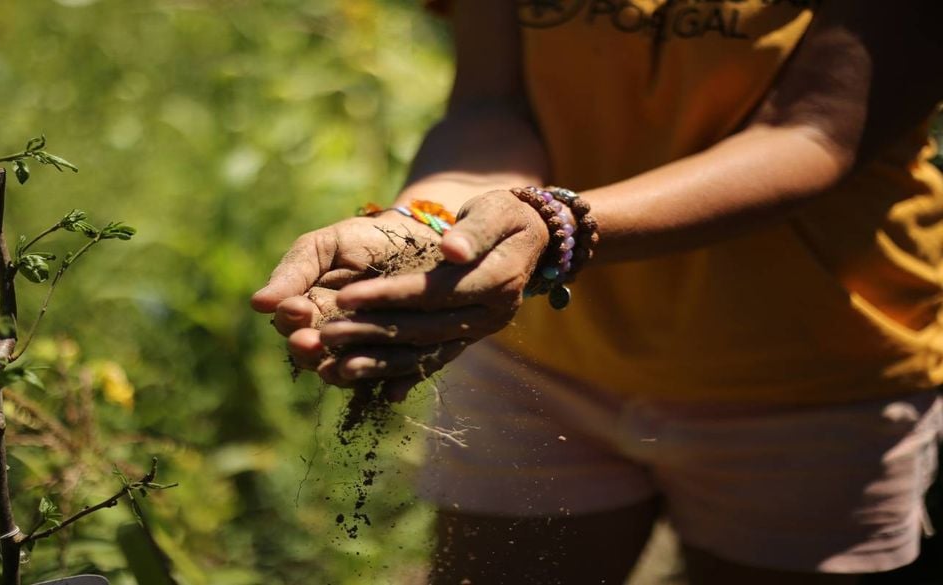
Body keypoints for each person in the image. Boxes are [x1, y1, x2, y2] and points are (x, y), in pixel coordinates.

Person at [252, 1, 943, 583]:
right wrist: (422, 230)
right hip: (541, 357)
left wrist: (558, 228)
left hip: (810, 371)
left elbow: (818, 130)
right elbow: (493, 101)